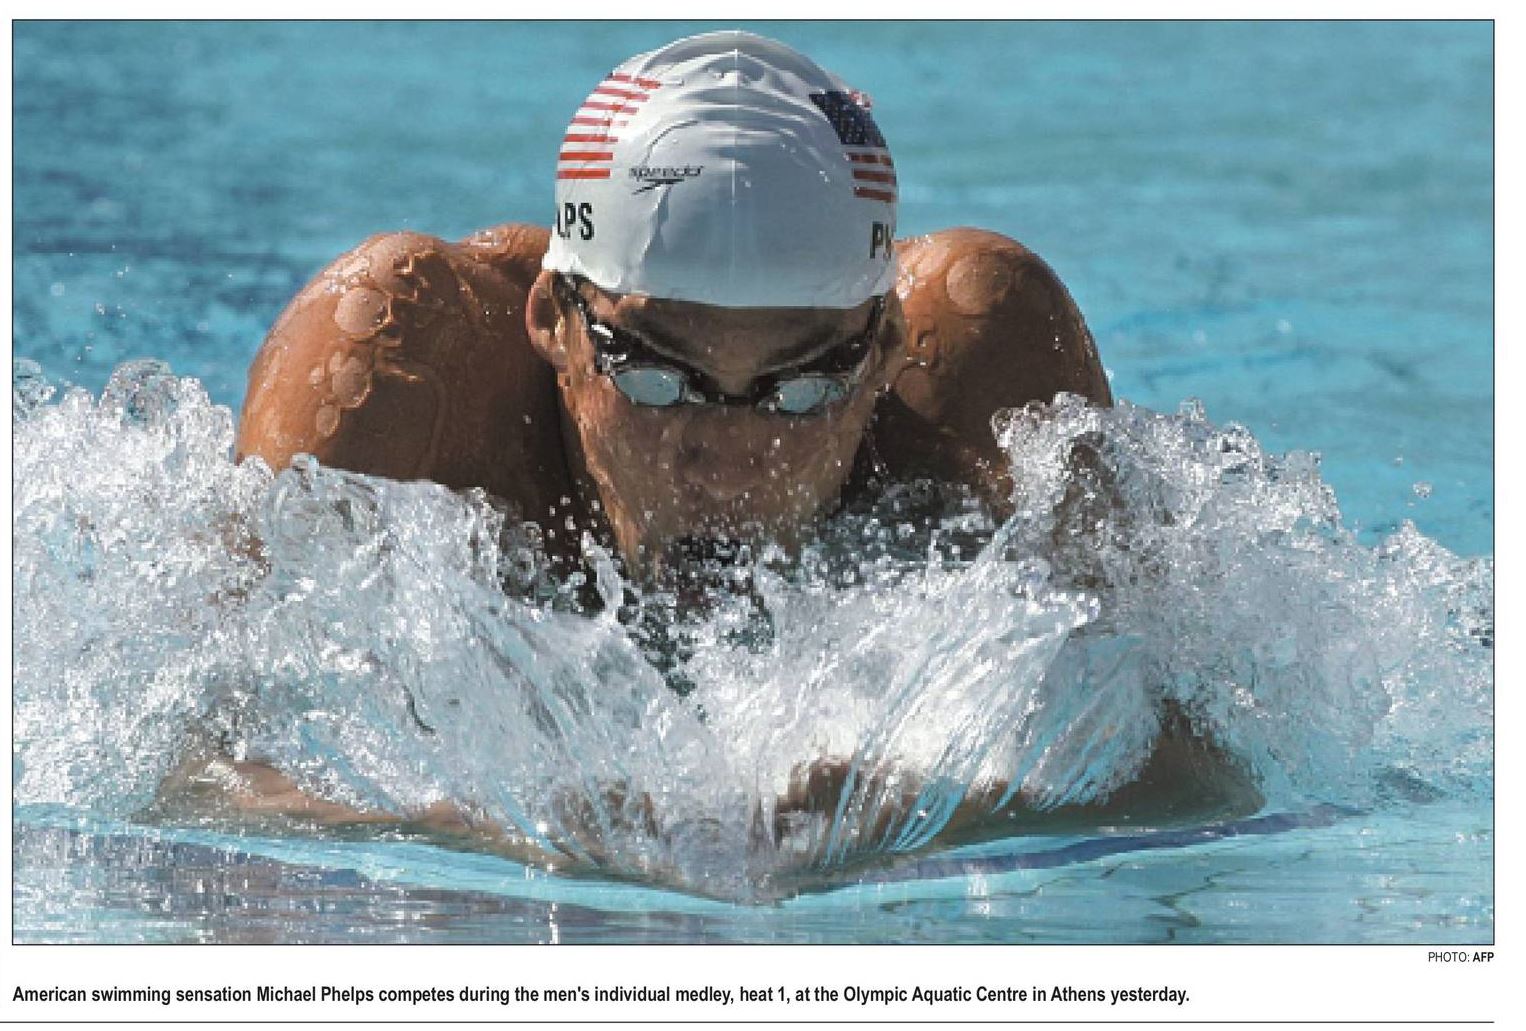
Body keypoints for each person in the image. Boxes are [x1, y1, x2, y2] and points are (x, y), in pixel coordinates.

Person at [180, 31, 1254, 872]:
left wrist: (933, 816)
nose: (736, 460)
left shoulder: (979, 373)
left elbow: (1205, 777)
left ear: (882, 346)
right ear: (554, 320)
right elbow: (189, 776)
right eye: (659, 380)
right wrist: (493, 834)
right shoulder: (400, 380)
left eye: (801, 388)